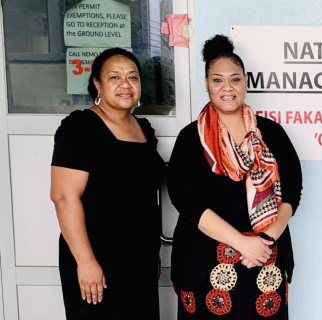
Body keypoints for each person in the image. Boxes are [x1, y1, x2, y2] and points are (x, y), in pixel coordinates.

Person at [168, 34, 302, 319]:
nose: (227, 87)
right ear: (206, 84)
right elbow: (186, 201)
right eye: (217, 80)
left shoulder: (271, 133)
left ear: (245, 82)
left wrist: (265, 241)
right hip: (205, 266)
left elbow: (292, 193)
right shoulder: (191, 138)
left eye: (235, 79)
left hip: (265, 262)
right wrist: (242, 243)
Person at [51, 48, 164, 319]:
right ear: (97, 84)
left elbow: (144, 197)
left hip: (140, 261)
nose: (126, 84)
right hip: (98, 260)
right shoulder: (81, 128)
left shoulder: (143, 129)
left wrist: (153, 254)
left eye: (133, 77)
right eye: (115, 77)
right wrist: (86, 261)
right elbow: (64, 197)